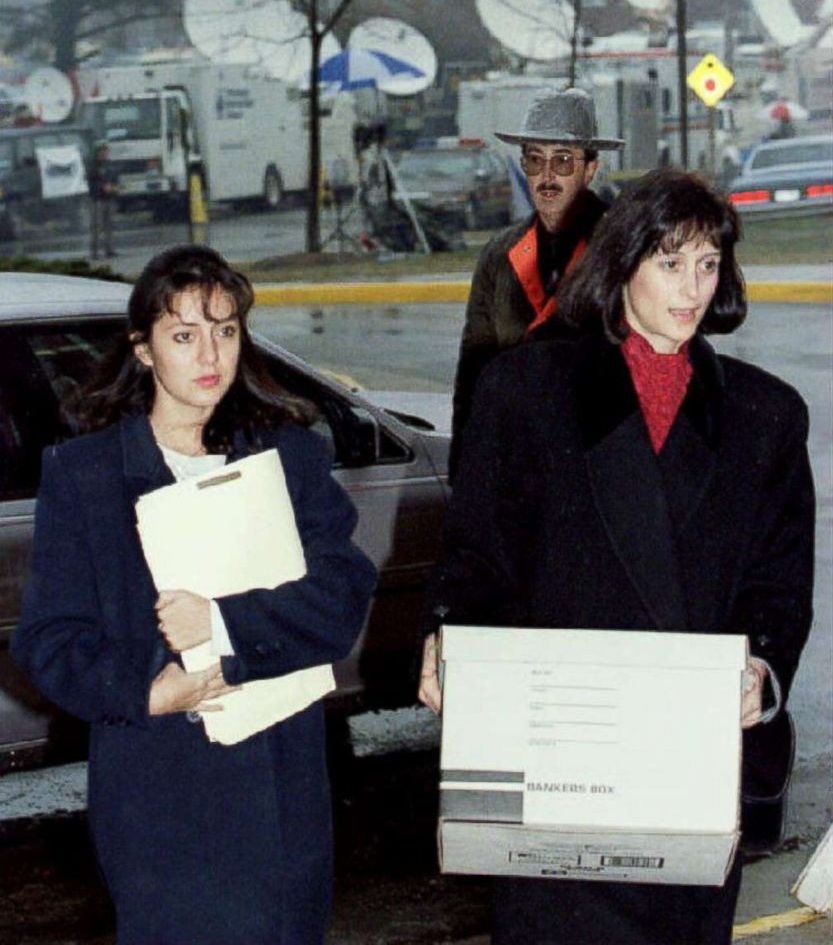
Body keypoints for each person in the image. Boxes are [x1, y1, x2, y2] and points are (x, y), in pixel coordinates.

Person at [419, 170, 814, 944]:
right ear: (621, 262)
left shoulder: (765, 417)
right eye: (670, 263)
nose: (692, 287)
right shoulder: (525, 393)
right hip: (556, 769)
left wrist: (760, 673)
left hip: (688, 773)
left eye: (708, 265)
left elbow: (779, 585)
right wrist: (448, 638)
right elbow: (477, 559)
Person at [11, 244, 377, 945]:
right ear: (143, 349)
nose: (210, 354)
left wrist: (222, 623)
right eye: (184, 335)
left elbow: (341, 594)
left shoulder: (287, 457)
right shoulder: (85, 477)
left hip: (279, 785)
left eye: (226, 329)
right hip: (160, 796)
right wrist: (147, 691)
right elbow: (48, 640)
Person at [449, 86, 624, 476]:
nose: (547, 176)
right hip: (519, 466)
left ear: (590, 169)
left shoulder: (622, 247)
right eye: (534, 160)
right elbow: (473, 377)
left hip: (600, 469)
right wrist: (464, 483)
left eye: (563, 161)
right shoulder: (499, 255)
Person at [89, 140, 118, 259]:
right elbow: (90, 182)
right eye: (102, 151)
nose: (105, 153)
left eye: (106, 151)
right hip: (98, 200)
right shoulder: (92, 166)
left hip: (109, 198)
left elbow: (115, 178)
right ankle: (94, 251)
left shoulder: (110, 165)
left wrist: (114, 187)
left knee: (109, 226)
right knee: (97, 227)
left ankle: (109, 249)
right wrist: (102, 187)